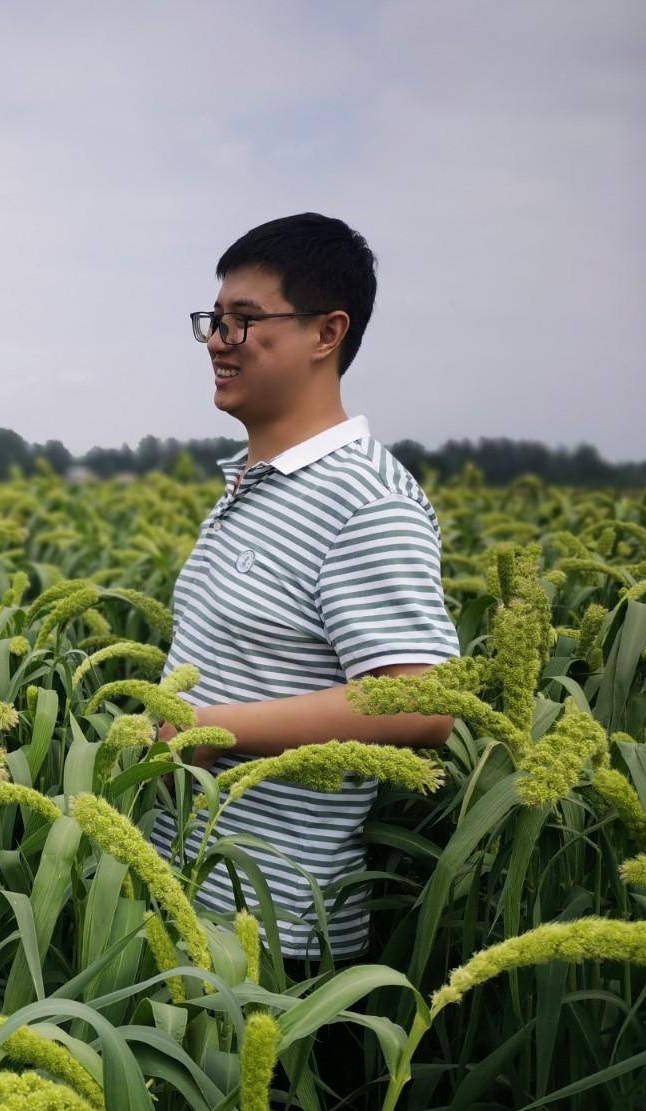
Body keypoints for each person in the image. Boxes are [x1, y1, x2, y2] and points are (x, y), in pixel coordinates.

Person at [151, 213, 460, 968]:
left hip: (269, 937)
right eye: (215, 321)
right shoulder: (254, 481)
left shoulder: (365, 500)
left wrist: (209, 727)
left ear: (328, 334)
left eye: (247, 321)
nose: (221, 341)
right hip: (181, 901)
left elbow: (422, 700)